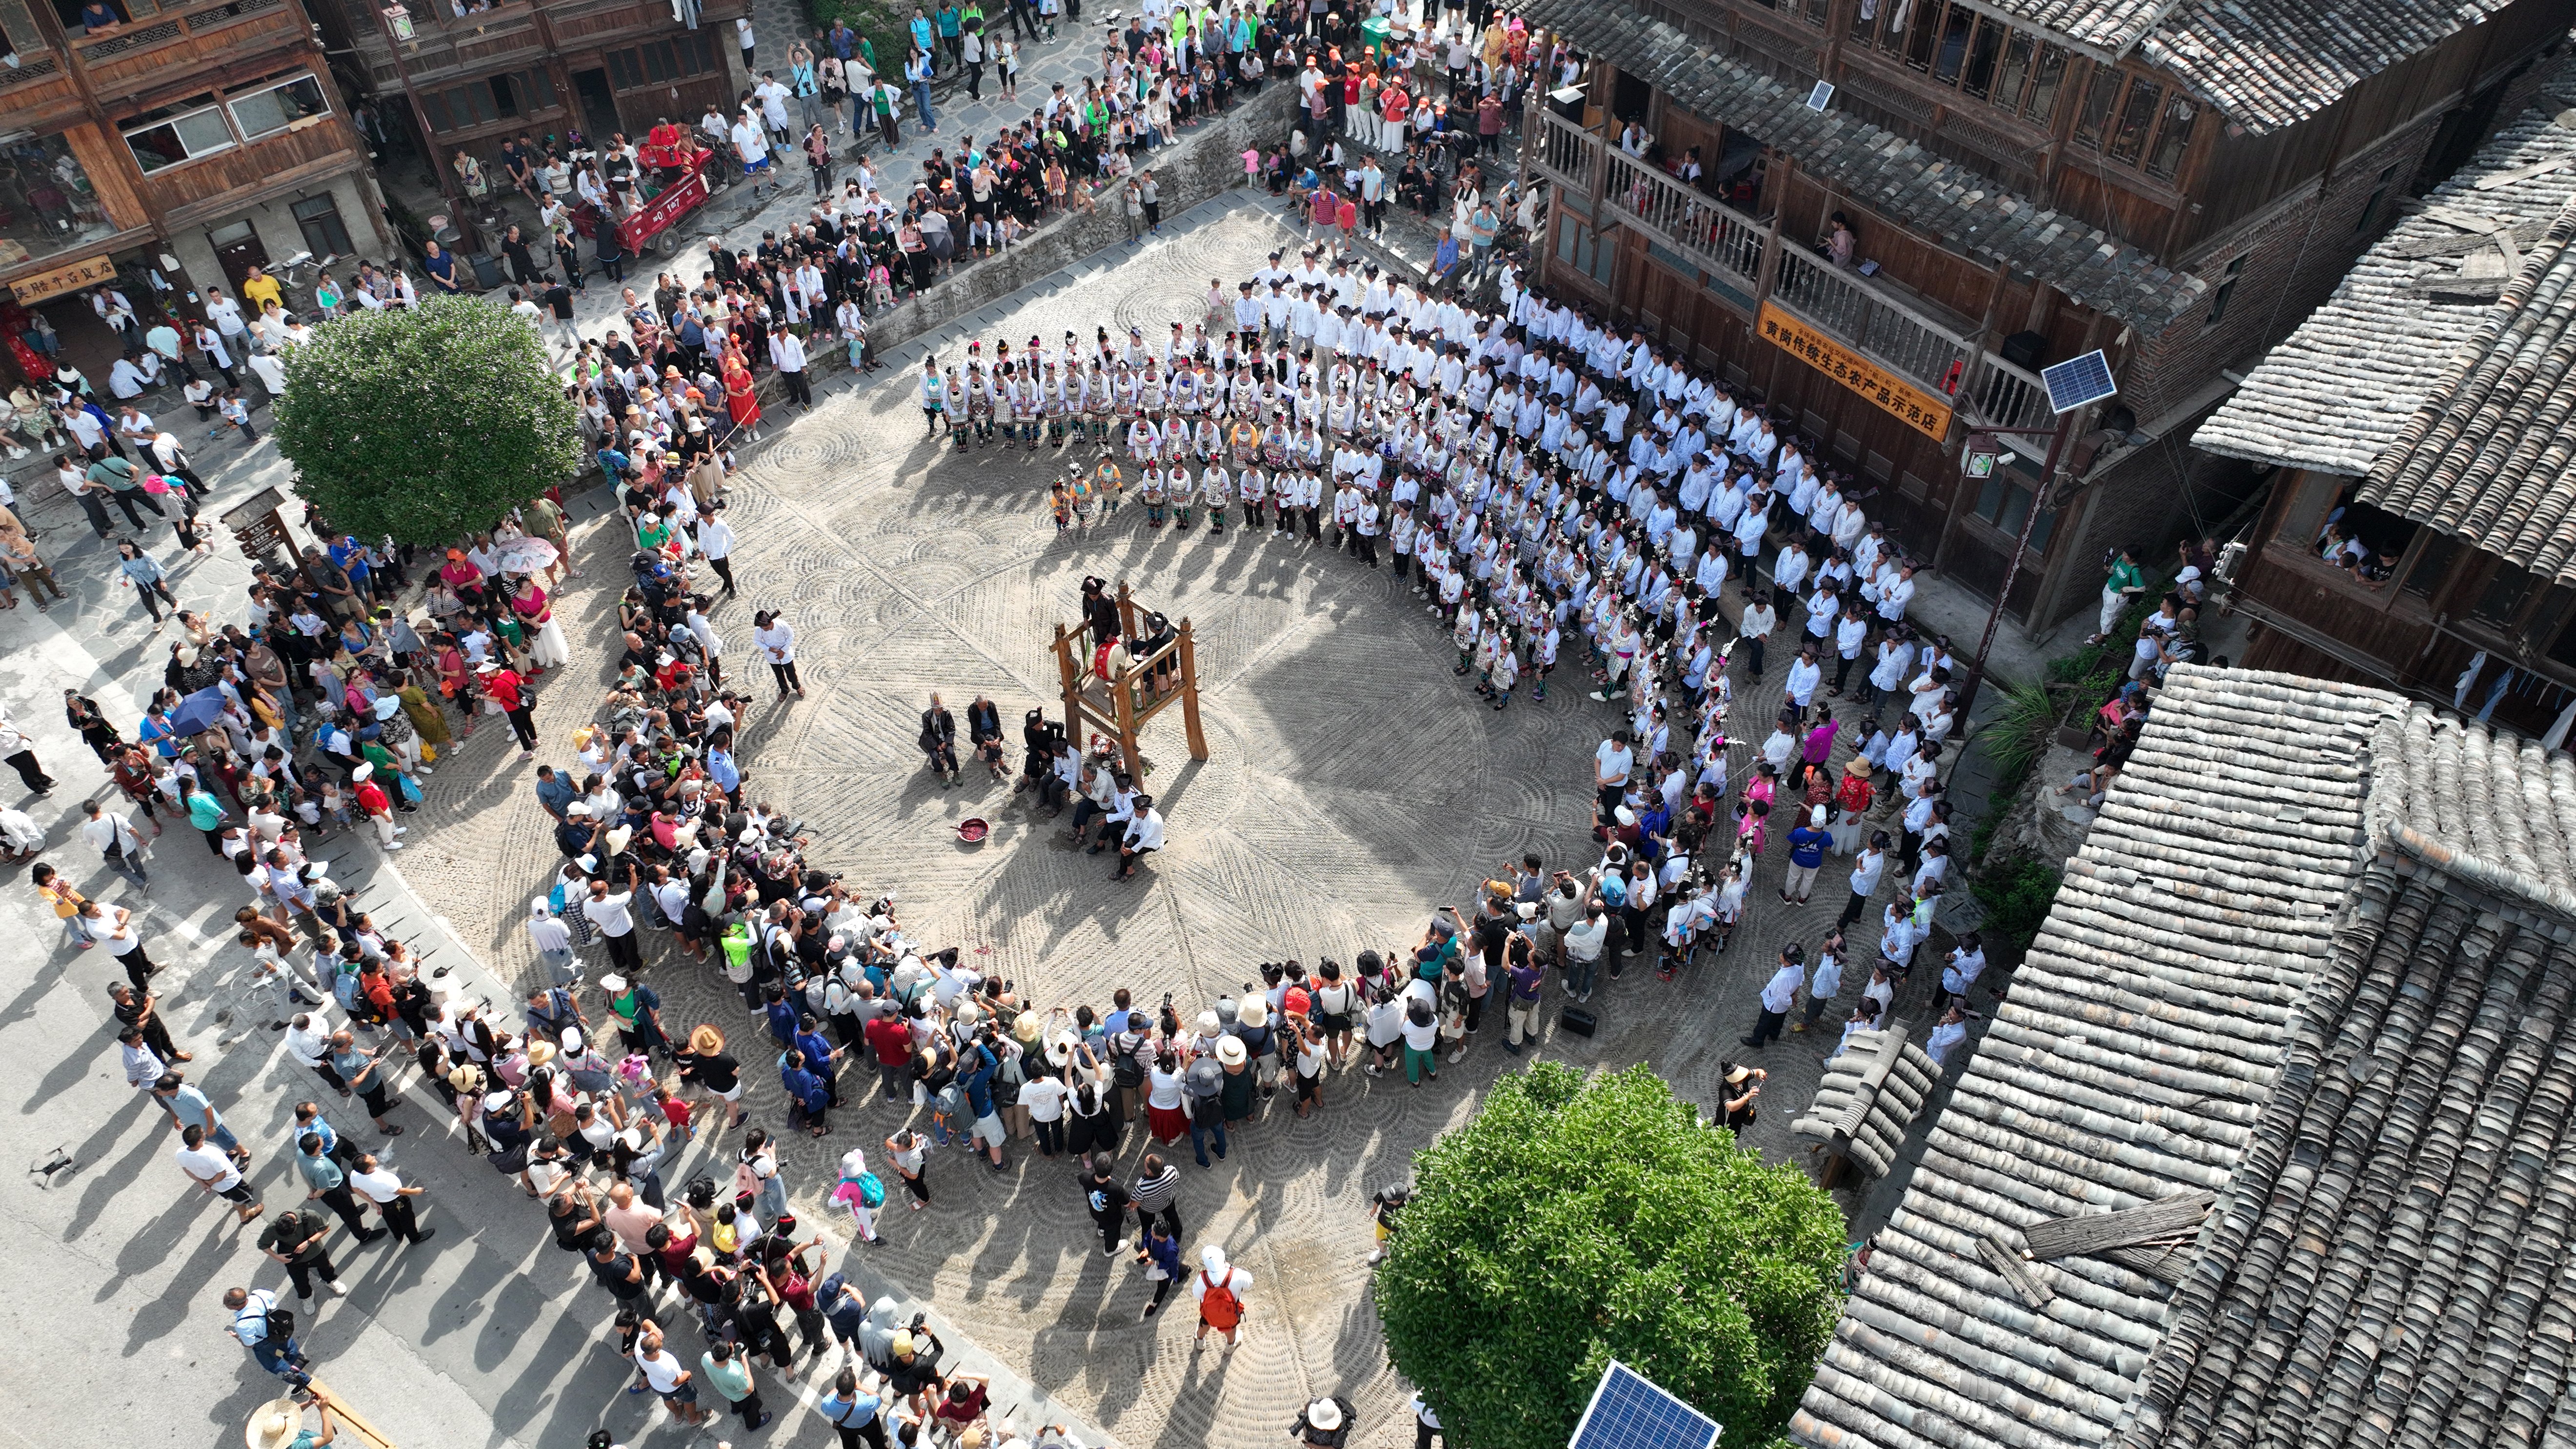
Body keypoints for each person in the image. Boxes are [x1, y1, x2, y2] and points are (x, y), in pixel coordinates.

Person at [177, 1123, 265, 1224]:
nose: (205, 1132)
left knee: (234, 1197)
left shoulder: (181, 1153)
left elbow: (186, 1169)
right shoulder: (212, 1153)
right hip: (232, 1184)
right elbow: (222, 1174)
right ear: (200, 1140)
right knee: (242, 1199)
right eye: (203, 1132)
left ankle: (237, 1203)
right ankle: (244, 1216)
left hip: (218, 1187)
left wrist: (203, 1183)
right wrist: (211, 1183)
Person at [347, 1152, 436, 1244]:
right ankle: (415, 1238)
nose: (374, 1157)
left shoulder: (355, 1175)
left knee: (391, 1220)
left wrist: (372, 1201)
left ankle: (398, 1235)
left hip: (380, 1202)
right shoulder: (383, 1180)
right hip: (397, 1202)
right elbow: (399, 1191)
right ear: (369, 1169)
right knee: (407, 1219)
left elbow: (355, 1189)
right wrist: (416, 1191)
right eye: (372, 1159)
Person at [1190, 1243, 1248, 1349]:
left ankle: (1200, 1341)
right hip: (1230, 1313)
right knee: (1231, 1328)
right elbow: (1249, 1282)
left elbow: (1197, 1294)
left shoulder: (1202, 1279)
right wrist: (1230, 1267)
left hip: (1209, 1313)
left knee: (1204, 1324)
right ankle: (1230, 1346)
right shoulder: (1236, 1274)